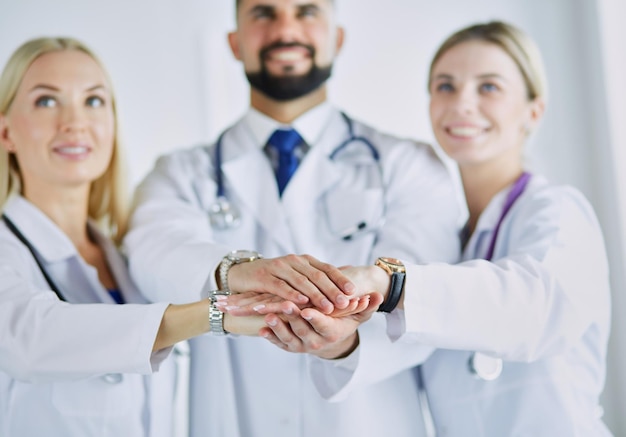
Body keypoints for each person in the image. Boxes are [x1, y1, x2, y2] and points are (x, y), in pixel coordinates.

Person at [246, 20, 611, 436]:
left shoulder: (558, 211)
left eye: (488, 87)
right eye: (445, 86)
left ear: (533, 110)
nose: (462, 105)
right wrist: (337, 342)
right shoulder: (455, 237)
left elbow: (536, 307)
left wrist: (389, 283)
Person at [124, 0, 461, 435]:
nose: (286, 29)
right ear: (234, 42)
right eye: (263, 13)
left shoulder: (408, 164)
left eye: (306, 11)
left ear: (336, 39)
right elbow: (152, 252)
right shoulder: (181, 172)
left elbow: (424, 292)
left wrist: (343, 342)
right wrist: (236, 272)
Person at [0, 37, 273, 437]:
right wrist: (214, 314)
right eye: (46, 101)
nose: (74, 122)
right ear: (6, 132)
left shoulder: (123, 255)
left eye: (93, 101)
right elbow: (28, 339)